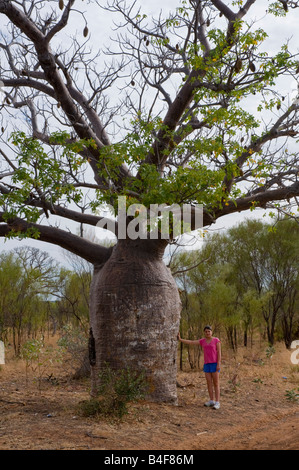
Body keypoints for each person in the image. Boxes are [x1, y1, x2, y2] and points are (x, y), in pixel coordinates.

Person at [178, 325, 221, 409]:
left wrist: (218, 364)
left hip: (214, 364)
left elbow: (219, 352)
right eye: (206, 331)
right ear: (204, 333)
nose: (207, 333)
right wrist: (180, 339)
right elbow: (191, 342)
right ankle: (211, 400)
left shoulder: (216, 340)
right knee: (209, 383)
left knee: (216, 383)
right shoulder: (202, 341)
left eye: (209, 331)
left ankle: (217, 402)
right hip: (206, 364)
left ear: (211, 332)